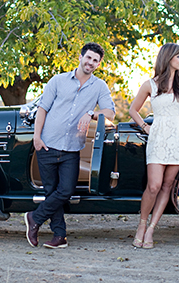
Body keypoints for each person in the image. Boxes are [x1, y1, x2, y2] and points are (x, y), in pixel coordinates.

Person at [25, 42, 115, 249]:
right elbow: (42, 109)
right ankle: (59, 236)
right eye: (89, 58)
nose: (91, 63)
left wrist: (91, 113)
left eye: (95, 60)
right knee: (51, 191)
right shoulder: (58, 81)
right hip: (47, 144)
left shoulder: (99, 86)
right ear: (81, 57)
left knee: (65, 191)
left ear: (99, 64)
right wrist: (36, 138)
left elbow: (110, 112)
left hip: (72, 148)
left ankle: (34, 218)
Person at [128, 43, 179, 249]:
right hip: (159, 138)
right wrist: (145, 127)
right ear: (168, 57)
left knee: (167, 185)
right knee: (153, 186)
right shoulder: (150, 85)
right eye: (178, 56)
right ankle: (141, 226)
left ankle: (152, 228)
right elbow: (133, 110)